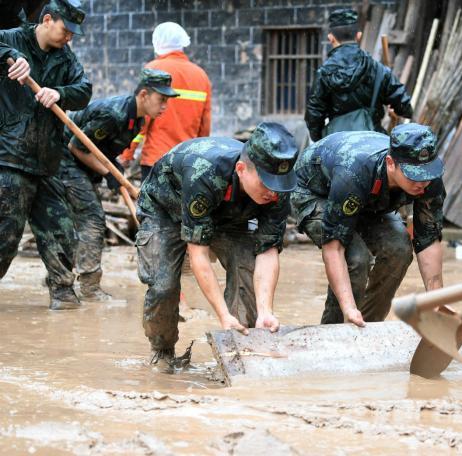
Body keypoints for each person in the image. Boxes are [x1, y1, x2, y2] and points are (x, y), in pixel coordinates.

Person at [136, 122, 298, 370]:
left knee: (246, 267)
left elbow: (267, 250)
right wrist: (222, 314)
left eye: (278, 186)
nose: (273, 194)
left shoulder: (277, 187)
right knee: (163, 285)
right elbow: (198, 253)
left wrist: (266, 310)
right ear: (242, 169)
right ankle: (163, 350)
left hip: (231, 214)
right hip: (166, 209)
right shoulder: (204, 172)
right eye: (266, 184)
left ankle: (239, 347)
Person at [291, 124, 446, 326]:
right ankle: (334, 331)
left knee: (399, 249)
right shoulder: (354, 172)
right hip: (314, 192)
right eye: (414, 175)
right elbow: (334, 248)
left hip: (369, 199)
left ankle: (369, 327)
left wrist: (438, 303)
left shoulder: (428, 179)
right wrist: (349, 308)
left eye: (427, 174)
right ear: (391, 163)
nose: (422, 183)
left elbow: (428, 239)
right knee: (356, 258)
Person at [0, 0, 92, 310]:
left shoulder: (66, 59)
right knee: (6, 237)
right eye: (66, 31)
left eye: (73, 34)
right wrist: (11, 57)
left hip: (47, 162)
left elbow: (84, 88)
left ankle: (64, 295)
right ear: (48, 19)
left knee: (61, 230)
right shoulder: (12, 39)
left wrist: (60, 93)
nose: (69, 38)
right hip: (9, 158)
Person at [58, 69, 178, 301]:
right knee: (92, 219)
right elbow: (77, 146)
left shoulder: (138, 119)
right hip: (65, 161)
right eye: (161, 99)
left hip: (83, 164)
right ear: (144, 95)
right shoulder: (114, 114)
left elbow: (101, 147)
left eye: (167, 101)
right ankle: (90, 289)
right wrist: (108, 172)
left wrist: (114, 166)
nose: (165, 106)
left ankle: (59, 275)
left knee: (76, 221)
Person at [304, 8, 413, 142]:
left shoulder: (323, 73)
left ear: (331, 38)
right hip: (373, 144)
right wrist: (394, 110)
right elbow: (405, 107)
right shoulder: (378, 70)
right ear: (359, 35)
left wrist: (321, 139)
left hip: (337, 145)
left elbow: (313, 115)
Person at [120, 22, 212, 179]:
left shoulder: (154, 70)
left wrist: (127, 154)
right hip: (187, 162)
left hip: (156, 159)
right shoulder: (201, 76)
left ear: (157, 44)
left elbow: (141, 118)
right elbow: (205, 127)